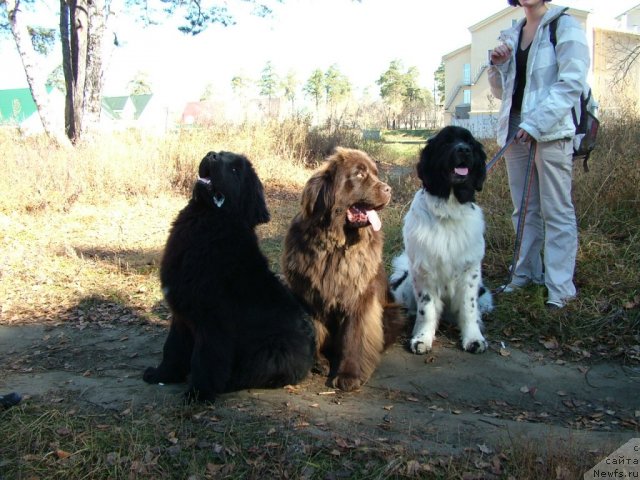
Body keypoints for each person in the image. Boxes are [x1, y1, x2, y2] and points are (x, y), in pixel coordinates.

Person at [488, 0, 590, 309]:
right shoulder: (511, 33)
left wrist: (536, 123)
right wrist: (498, 64)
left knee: (556, 210)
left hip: (551, 131)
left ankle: (560, 289)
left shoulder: (566, 25)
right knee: (523, 209)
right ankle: (524, 275)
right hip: (515, 129)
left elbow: (572, 83)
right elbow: (499, 91)